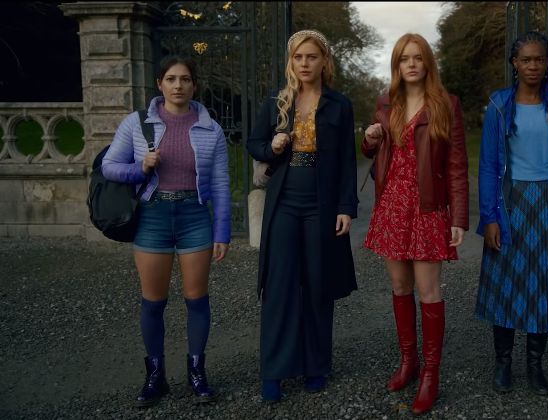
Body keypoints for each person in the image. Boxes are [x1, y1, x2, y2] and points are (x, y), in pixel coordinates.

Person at [102, 56, 230, 407]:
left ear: (194, 85)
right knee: (153, 302)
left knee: (197, 299)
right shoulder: (136, 123)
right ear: (159, 83)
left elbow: (221, 182)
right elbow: (109, 166)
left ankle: (196, 373)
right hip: (153, 216)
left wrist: (222, 231)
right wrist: (139, 167)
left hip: (194, 216)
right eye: (171, 79)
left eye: (185, 79)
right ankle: (155, 376)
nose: (178, 85)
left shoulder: (211, 129)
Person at [246, 29, 358, 403]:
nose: (305, 63)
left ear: (324, 61)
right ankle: (275, 370)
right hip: (284, 203)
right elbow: (253, 143)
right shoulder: (276, 101)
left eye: (312, 56)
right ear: (290, 61)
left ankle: (315, 366)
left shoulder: (339, 105)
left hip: (321, 205)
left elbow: (347, 161)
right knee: (279, 285)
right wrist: (272, 146)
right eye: (298, 57)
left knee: (317, 284)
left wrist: (346, 207)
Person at [362, 33, 468, 415]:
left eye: (417, 57)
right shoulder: (385, 103)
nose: (411, 64)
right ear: (397, 64)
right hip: (392, 205)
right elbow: (371, 150)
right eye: (404, 58)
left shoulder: (446, 105)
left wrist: (458, 217)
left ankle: (430, 374)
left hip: (427, 208)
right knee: (399, 286)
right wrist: (370, 137)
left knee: (429, 291)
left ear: (427, 63)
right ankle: (408, 361)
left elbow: (456, 164)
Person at [474, 31, 548, 396]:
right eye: (526, 60)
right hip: (511, 203)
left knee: (544, 283)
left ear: (547, 63)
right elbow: (488, 165)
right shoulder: (499, 105)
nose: (533, 65)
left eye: (539, 59)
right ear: (515, 64)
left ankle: (535, 365)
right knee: (506, 282)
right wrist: (490, 217)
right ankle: (503, 363)